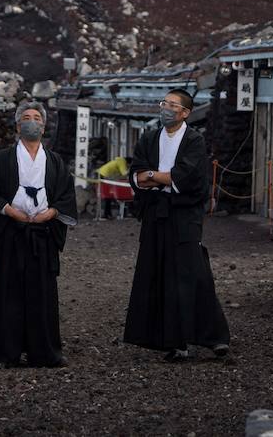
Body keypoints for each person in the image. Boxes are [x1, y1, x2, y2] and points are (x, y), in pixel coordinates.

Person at [123, 89, 231, 362]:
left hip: (184, 215)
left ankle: (214, 337)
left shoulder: (194, 140)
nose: (166, 109)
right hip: (155, 213)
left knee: (193, 273)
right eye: (164, 103)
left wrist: (154, 176)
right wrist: (160, 176)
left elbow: (185, 176)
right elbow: (137, 176)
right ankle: (174, 342)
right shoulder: (149, 138)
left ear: (185, 113)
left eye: (173, 105)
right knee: (158, 273)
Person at [0, 101, 78, 368]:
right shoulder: (3, 159)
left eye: (37, 118)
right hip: (13, 232)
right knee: (8, 291)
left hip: (43, 235)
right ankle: (5, 352)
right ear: (18, 126)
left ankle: (44, 352)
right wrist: (9, 210)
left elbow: (66, 195)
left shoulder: (55, 161)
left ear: (43, 127)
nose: (32, 121)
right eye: (26, 117)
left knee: (42, 293)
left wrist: (52, 212)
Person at [95, 154, 130, 219]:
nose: (127, 167)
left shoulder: (118, 161)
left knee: (108, 196)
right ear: (128, 163)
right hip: (102, 176)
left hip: (101, 175)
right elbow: (124, 173)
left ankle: (107, 214)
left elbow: (120, 175)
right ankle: (106, 214)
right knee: (107, 196)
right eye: (128, 166)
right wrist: (131, 170)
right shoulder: (122, 161)